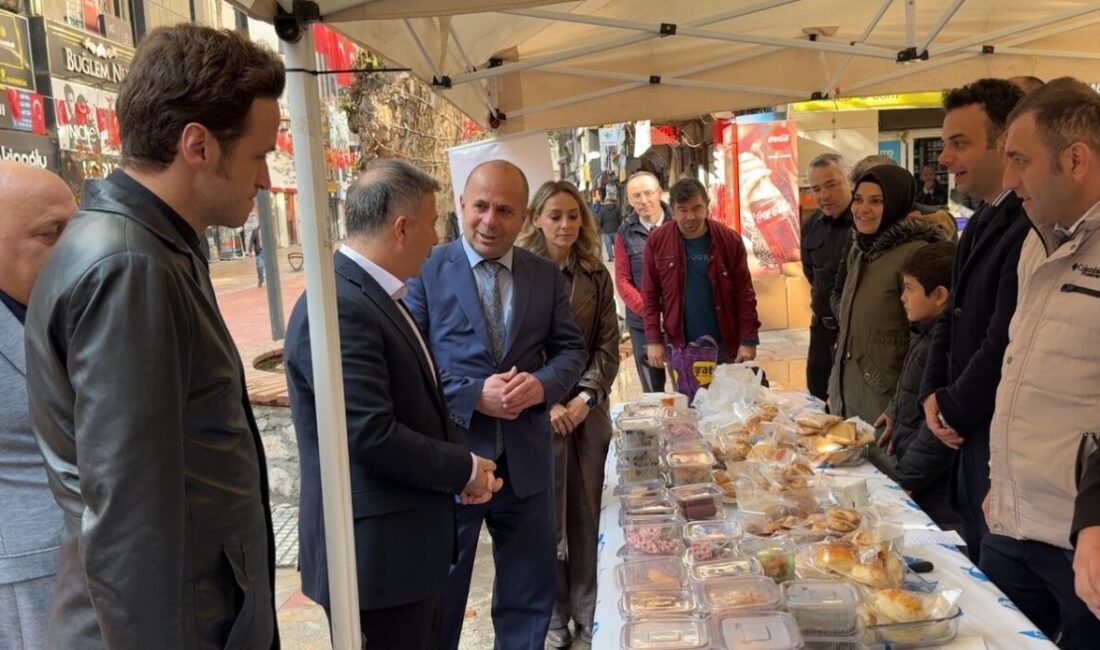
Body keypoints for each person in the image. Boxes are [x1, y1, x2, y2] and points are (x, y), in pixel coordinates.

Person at [23, 25, 285, 648]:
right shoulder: (131, 264)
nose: (266, 180)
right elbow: (129, 520)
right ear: (197, 145)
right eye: (258, 155)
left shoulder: (150, 247)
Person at [285, 160, 502, 649]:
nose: (437, 236)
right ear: (402, 228)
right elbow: (370, 434)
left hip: (401, 554)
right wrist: (461, 468)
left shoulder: (375, 295)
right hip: (375, 562)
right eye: (432, 222)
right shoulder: (342, 304)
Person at [404, 160, 587, 650]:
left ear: (525, 216)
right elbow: (408, 365)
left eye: (504, 210)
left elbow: (573, 350)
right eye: (480, 206)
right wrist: (472, 395)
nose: (489, 220)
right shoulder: (425, 268)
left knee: (528, 599)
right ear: (461, 206)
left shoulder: (544, 276)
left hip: (526, 465)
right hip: (453, 467)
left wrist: (542, 385)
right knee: (440, 598)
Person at [978, 77, 1100, 649]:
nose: (1008, 180)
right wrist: (1002, 479)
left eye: (1019, 160)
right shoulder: (1035, 241)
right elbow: (1021, 368)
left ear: (1075, 159)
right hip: (1011, 522)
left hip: (1084, 545)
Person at [918, 78, 1028, 562]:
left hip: (993, 429)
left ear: (1004, 142)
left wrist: (951, 407)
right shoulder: (980, 217)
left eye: (959, 144)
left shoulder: (1027, 224)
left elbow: (1003, 340)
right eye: (944, 144)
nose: (944, 158)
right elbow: (950, 317)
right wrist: (931, 392)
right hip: (964, 425)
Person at [516, 180, 619, 649]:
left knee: (587, 513)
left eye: (573, 215)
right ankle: (554, 615)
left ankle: (587, 608)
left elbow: (607, 346)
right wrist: (548, 399)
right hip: (537, 415)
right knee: (545, 518)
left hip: (587, 414)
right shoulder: (517, 274)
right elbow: (514, 349)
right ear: (536, 218)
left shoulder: (596, 275)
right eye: (555, 215)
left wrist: (585, 398)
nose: (565, 225)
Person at [827, 166, 954, 469]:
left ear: (897, 203)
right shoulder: (860, 251)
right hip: (850, 397)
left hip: (887, 407)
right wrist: (835, 388)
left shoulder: (915, 254)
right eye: (858, 199)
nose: (863, 209)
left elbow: (927, 340)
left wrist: (899, 408)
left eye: (876, 201)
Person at [0, 163, 75, 649]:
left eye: (76, 227)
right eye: (52, 233)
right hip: (28, 579)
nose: (72, 247)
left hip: (112, 566)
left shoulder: (74, 305)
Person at [883, 241, 962, 532]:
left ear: (939, 295)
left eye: (909, 288)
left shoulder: (943, 348)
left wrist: (906, 479)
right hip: (918, 473)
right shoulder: (925, 335)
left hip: (934, 486)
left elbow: (937, 430)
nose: (902, 297)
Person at [642, 178, 760, 369]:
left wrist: (748, 339)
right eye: (683, 209)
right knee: (686, 399)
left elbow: (744, 293)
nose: (690, 216)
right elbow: (650, 296)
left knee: (726, 398)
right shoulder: (657, 241)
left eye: (697, 208)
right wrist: (653, 340)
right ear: (672, 209)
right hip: (680, 345)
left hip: (725, 344)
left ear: (707, 206)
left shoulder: (729, 240)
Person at [801, 153, 854, 402]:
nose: (824, 195)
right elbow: (810, 273)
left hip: (856, 332)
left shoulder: (865, 222)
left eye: (831, 185)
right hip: (822, 330)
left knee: (853, 400)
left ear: (849, 181)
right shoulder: (811, 226)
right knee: (817, 395)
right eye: (816, 188)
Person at [614, 171, 670, 392]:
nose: (644, 200)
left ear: (659, 193)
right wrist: (650, 313)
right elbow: (622, 280)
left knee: (689, 386)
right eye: (636, 196)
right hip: (641, 324)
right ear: (629, 200)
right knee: (653, 392)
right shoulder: (624, 233)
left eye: (648, 193)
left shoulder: (678, 224)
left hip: (681, 320)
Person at [595, 187, 621, 262]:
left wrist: (600, 227)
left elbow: (600, 220)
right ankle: (618, 256)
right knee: (616, 244)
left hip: (606, 230)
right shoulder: (617, 209)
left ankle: (611, 257)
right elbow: (620, 219)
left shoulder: (602, 210)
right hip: (616, 229)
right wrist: (619, 226)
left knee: (608, 244)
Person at [249, 220, 265, 287]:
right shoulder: (255, 231)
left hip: (267, 251)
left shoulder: (267, 231)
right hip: (259, 251)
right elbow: (251, 241)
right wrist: (250, 250)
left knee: (269, 267)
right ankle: (261, 280)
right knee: (259, 267)